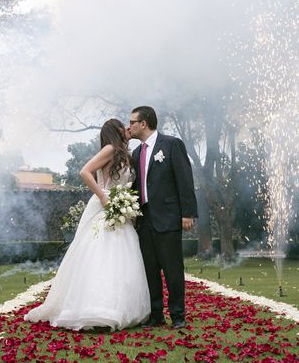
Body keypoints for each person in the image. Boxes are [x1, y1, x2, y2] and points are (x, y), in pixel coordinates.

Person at [24, 118, 150, 330]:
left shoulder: (124, 153)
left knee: (122, 255)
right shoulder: (110, 148)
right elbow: (84, 171)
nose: (127, 128)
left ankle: (120, 306)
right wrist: (102, 196)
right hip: (105, 205)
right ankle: (95, 307)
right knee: (99, 250)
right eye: (123, 125)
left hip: (121, 208)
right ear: (115, 131)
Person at [128, 106, 197, 329]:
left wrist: (187, 213)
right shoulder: (136, 153)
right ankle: (156, 315)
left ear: (144, 123)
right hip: (144, 220)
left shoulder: (171, 144)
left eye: (132, 122)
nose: (129, 126)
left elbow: (185, 179)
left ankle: (178, 316)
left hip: (169, 217)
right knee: (150, 270)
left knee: (172, 269)